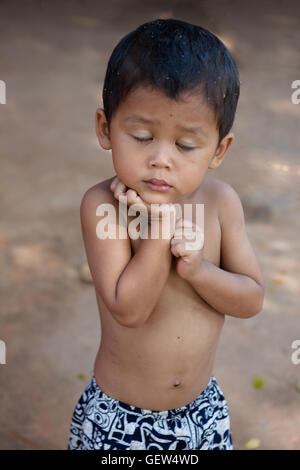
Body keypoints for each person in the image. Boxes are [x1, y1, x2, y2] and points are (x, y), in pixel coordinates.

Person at [68, 18, 265, 450]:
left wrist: (199, 271)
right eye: (141, 136)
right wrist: (160, 230)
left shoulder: (220, 203)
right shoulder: (104, 206)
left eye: (186, 145)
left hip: (202, 413)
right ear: (105, 128)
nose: (161, 159)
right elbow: (129, 310)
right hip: (119, 419)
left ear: (218, 150)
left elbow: (251, 298)